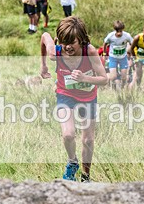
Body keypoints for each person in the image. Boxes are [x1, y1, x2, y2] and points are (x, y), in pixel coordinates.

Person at [40, 16, 108, 182]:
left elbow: (104, 79)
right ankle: (72, 162)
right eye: (63, 42)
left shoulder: (89, 52)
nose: (67, 47)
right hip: (65, 94)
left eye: (72, 43)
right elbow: (44, 37)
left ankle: (86, 176)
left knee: (88, 140)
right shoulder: (55, 52)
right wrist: (43, 65)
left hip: (88, 97)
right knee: (68, 135)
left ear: (82, 40)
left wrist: (85, 78)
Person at [103, 21, 133, 91]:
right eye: (117, 31)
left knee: (124, 77)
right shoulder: (110, 36)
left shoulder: (127, 35)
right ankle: (112, 87)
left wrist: (130, 54)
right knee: (113, 77)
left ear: (123, 29)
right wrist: (104, 54)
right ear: (114, 30)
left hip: (123, 58)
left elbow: (132, 43)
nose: (119, 33)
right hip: (113, 58)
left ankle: (122, 89)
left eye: (121, 31)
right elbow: (105, 43)